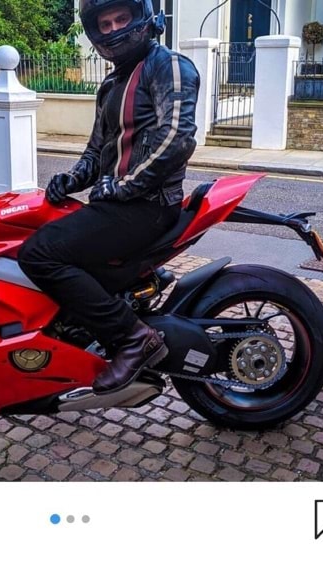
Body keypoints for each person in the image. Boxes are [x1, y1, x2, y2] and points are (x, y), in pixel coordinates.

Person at [18, 0, 199, 394]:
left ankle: (134, 339)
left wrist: (122, 186)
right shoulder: (113, 83)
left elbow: (177, 139)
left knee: (38, 254)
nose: (115, 28)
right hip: (118, 204)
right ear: (95, 32)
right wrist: (71, 178)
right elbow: (98, 149)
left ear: (143, 18)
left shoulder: (167, 65)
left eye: (122, 18)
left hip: (148, 205)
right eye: (105, 23)